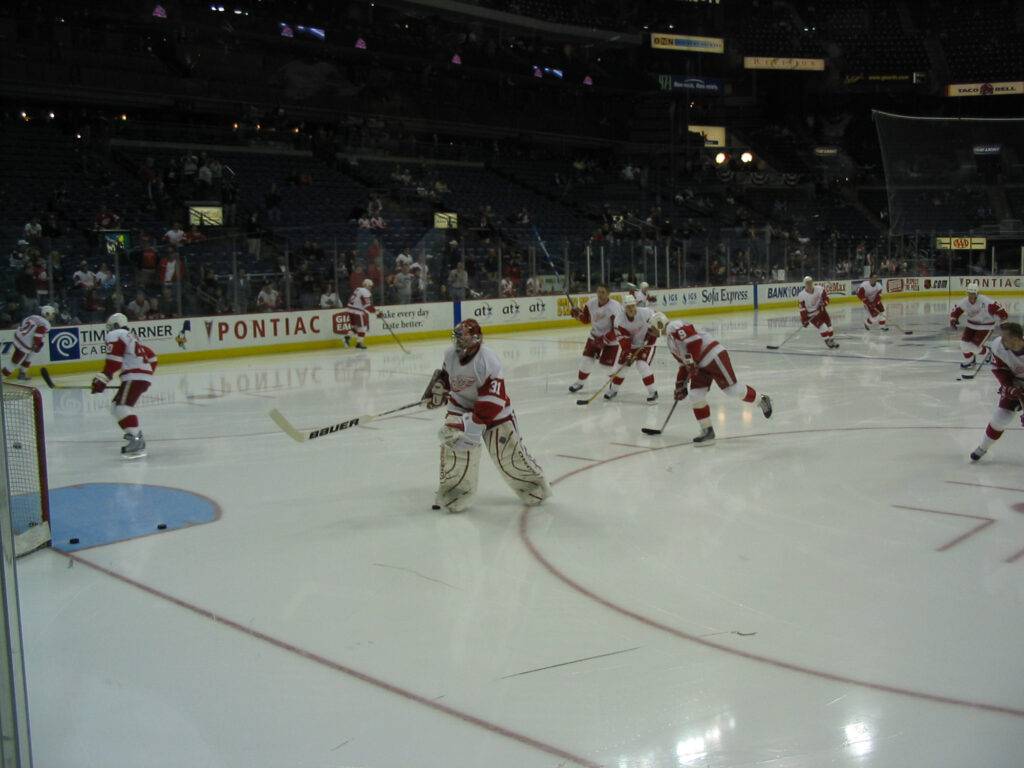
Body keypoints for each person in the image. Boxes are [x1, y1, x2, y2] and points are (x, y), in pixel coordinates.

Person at [425, 319, 551, 512]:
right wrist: (438, 391)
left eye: (463, 339)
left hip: (495, 412)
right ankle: (455, 491)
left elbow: (493, 399)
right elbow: (447, 376)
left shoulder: (488, 360)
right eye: (457, 339)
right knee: (454, 448)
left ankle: (533, 486)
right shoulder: (449, 354)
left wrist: (474, 426)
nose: (459, 343)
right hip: (461, 407)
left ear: (476, 339)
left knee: (507, 455)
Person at [665, 317, 773, 445]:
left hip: (712, 354)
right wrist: (679, 386)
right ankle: (707, 430)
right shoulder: (670, 344)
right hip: (699, 364)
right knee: (695, 394)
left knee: (731, 390)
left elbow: (695, 341)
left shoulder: (673, 326)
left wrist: (692, 360)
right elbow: (683, 365)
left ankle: (761, 399)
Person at [91, 313, 158, 458]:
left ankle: (137, 439)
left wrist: (103, 379)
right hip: (137, 376)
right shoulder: (133, 336)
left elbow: (113, 361)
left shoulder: (115, 334)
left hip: (134, 376)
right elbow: (152, 357)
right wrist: (146, 375)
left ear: (115, 325)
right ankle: (132, 433)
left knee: (122, 407)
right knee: (115, 407)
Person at [970, 322, 1024, 461]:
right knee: (1001, 418)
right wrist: (1009, 387)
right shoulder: (999, 346)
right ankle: (983, 447)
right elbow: (999, 369)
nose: (1001, 339)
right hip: (1016, 382)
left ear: (1016, 339)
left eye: (1005, 337)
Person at [605, 295, 665, 403]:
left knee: (641, 365)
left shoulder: (646, 312)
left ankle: (653, 392)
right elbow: (624, 340)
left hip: (646, 344)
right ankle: (613, 390)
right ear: (624, 307)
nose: (631, 309)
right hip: (630, 346)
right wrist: (628, 354)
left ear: (635, 305)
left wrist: (654, 332)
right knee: (622, 367)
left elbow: (659, 320)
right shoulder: (619, 320)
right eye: (628, 307)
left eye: (633, 306)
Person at [567, 285, 623, 393]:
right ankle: (580, 383)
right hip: (595, 336)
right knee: (586, 361)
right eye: (598, 292)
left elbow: (618, 328)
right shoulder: (591, 304)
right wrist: (578, 315)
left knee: (606, 367)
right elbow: (586, 319)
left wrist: (605, 339)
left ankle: (616, 383)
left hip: (611, 340)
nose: (600, 295)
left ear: (608, 294)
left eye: (603, 292)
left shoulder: (614, 307)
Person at [950, 282, 1008, 369]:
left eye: (973, 293)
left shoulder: (986, 301)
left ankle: (988, 352)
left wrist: (1003, 320)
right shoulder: (965, 302)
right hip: (971, 325)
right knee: (963, 345)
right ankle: (970, 360)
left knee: (974, 347)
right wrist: (953, 319)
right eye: (969, 293)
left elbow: (1000, 310)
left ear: (977, 293)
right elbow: (956, 310)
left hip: (985, 327)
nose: (971, 296)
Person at [2, 305, 56, 381]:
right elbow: (38, 335)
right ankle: (2, 377)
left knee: (32, 354)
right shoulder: (45, 324)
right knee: (14, 363)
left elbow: (22, 323)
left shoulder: (33, 316)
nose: (54, 316)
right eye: (53, 314)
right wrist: (36, 344)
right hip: (25, 343)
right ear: (47, 314)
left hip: (18, 337)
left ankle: (23, 372)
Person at [798, 276, 839, 349]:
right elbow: (802, 309)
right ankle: (827, 341)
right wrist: (804, 319)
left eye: (810, 282)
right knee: (823, 326)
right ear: (805, 284)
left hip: (821, 311)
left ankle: (832, 340)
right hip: (811, 314)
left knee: (829, 326)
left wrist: (824, 304)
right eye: (807, 283)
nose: (809, 284)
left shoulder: (819, 289)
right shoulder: (801, 295)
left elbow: (826, 298)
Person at [344, 278, 376, 349]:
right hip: (357, 311)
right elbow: (367, 305)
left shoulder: (358, 289)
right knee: (363, 327)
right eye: (370, 286)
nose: (370, 288)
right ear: (367, 285)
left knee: (356, 327)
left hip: (350, 310)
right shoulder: (365, 291)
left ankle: (348, 337)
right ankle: (358, 342)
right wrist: (376, 312)